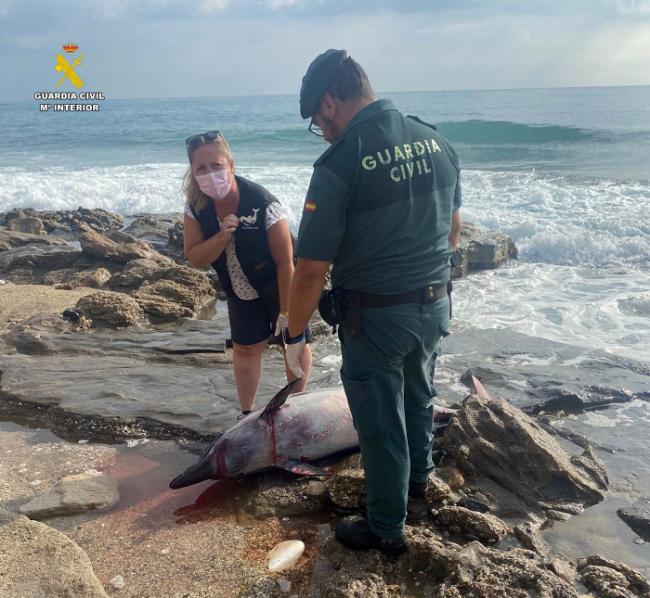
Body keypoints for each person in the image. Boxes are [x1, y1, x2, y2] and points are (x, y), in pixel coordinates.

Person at [284, 50, 462, 554]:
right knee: (419, 396)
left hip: (376, 317)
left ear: (330, 102)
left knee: (380, 425)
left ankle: (387, 530)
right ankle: (420, 483)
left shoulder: (341, 162)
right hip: (433, 304)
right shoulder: (436, 140)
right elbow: (452, 230)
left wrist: (295, 335)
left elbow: (312, 268)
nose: (324, 131)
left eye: (319, 122)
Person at [182, 130, 312, 416]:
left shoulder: (264, 204)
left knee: (294, 345)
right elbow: (194, 257)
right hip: (239, 288)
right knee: (245, 349)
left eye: (216, 165)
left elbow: (285, 261)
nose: (210, 173)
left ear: (231, 165)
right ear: (193, 173)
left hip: (280, 283)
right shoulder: (197, 208)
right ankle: (247, 415)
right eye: (201, 168)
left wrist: (288, 312)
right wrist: (220, 237)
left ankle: (295, 411)